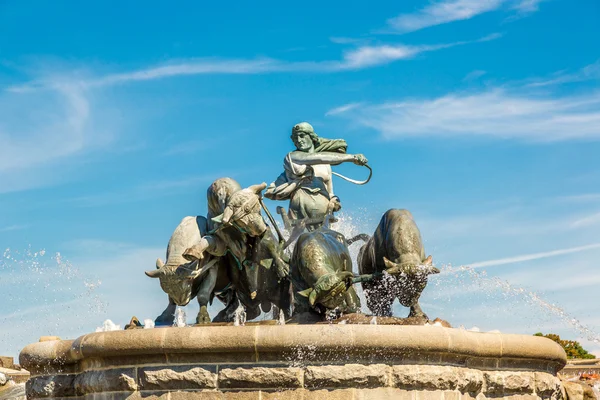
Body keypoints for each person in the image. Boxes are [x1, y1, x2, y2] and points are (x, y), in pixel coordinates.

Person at [265, 122, 368, 231]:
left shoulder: (326, 166)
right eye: (295, 138)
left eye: (302, 135)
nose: (299, 140)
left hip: (323, 217)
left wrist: (334, 200)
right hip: (300, 215)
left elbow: (330, 192)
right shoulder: (292, 157)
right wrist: (352, 157)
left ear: (312, 137)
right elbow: (318, 157)